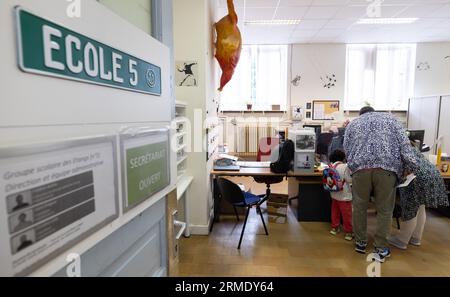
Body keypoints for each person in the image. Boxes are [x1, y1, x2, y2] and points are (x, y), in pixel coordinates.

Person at [344, 106, 417, 263]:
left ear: (361, 113)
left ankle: (360, 243)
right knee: (384, 210)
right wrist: (411, 166)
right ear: (374, 111)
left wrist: (353, 165)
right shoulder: (392, 120)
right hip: (387, 169)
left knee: (359, 207)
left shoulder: (353, 124)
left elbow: (347, 149)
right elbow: (405, 145)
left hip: (360, 169)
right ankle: (381, 248)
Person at [388, 140, 449, 250]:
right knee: (421, 207)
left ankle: (402, 240)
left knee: (410, 208)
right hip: (432, 174)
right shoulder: (413, 150)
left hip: (415, 178)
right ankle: (416, 238)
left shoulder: (398, 151)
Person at [328, 149, 353, 241]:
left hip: (334, 193)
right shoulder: (344, 167)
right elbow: (349, 180)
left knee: (335, 212)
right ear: (343, 157)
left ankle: (334, 228)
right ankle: (348, 232)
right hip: (344, 195)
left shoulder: (331, 166)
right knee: (347, 214)